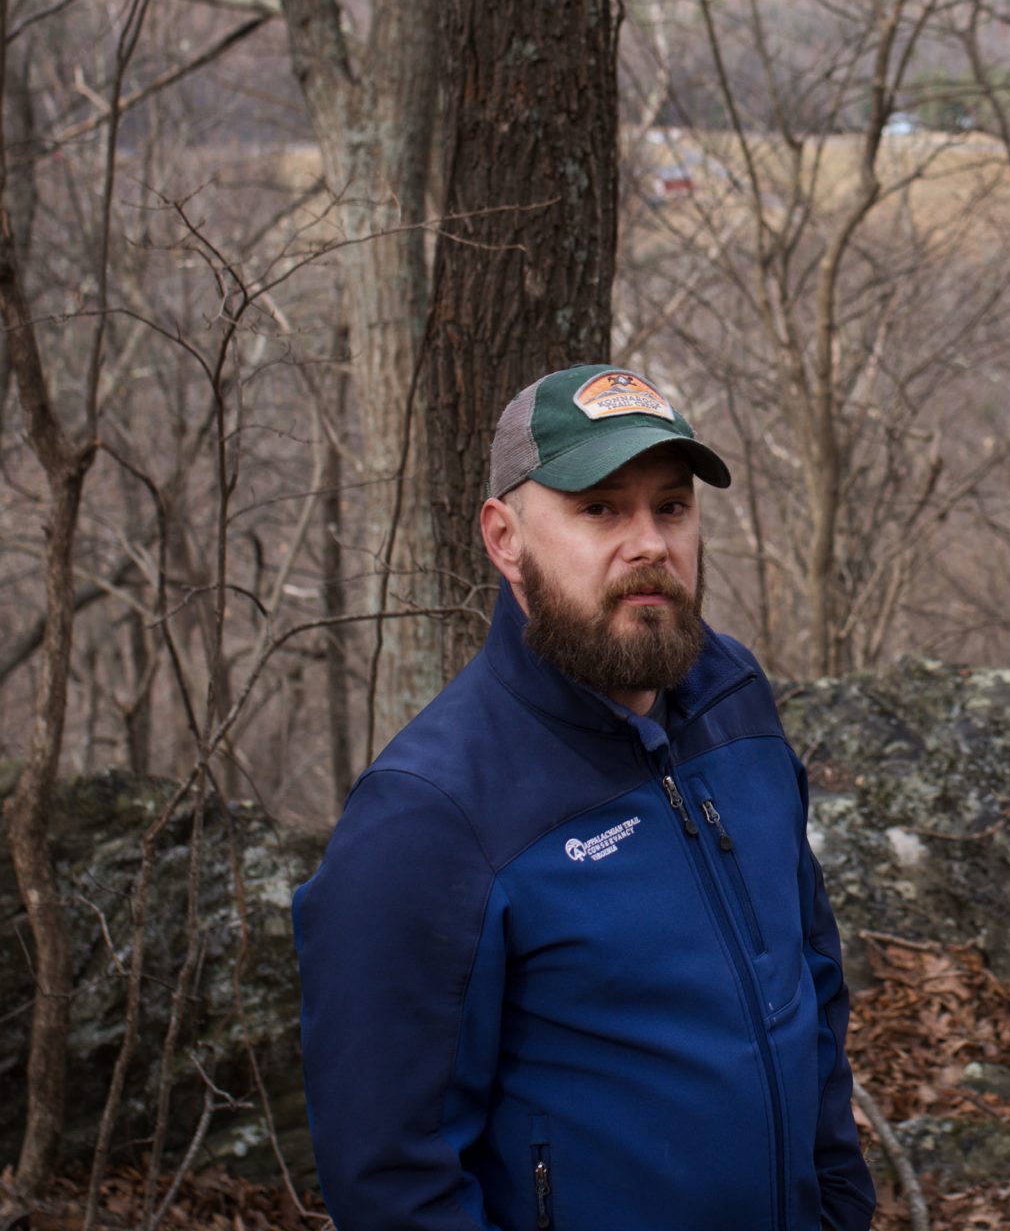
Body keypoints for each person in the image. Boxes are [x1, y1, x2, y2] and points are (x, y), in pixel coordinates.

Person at [293, 363, 876, 1231]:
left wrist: (839, 1201)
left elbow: (811, 985)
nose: (649, 543)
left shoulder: (735, 704)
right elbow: (391, 1182)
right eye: (600, 508)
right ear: (504, 537)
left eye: (670, 507)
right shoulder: (429, 815)